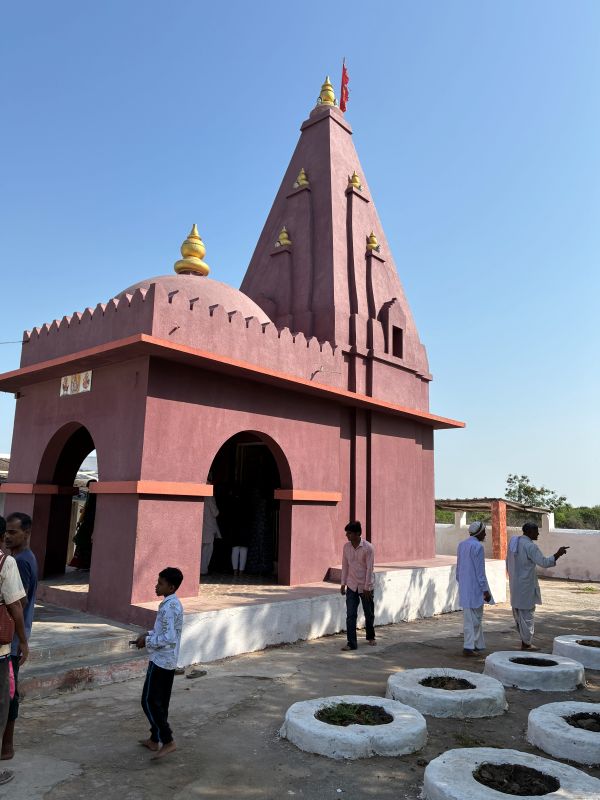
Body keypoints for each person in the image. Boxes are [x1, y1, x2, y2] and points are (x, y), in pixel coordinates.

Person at [135, 567, 184, 760]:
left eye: (160, 583)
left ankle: (168, 739)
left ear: (171, 587)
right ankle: (155, 739)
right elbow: (162, 632)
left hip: (162, 661)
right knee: (159, 703)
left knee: (149, 701)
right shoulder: (169, 604)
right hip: (165, 659)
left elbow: (168, 637)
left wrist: (146, 642)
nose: (156, 586)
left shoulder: (170, 607)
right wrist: (147, 634)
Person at [2, 513, 37, 760]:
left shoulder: (20, 561)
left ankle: (6, 747)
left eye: (13, 532)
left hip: (10, 642)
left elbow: (18, 604)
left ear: (26, 533)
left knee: (8, 696)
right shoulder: (15, 558)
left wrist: (22, 642)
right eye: (6, 531)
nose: (7, 536)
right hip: (11, 639)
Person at [507, 521, 568, 651]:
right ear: (529, 532)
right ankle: (527, 644)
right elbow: (544, 562)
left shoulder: (514, 543)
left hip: (515, 584)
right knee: (527, 615)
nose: (538, 533)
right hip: (526, 586)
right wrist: (558, 553)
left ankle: (525, 641)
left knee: (519, 614)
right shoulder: (530, 546)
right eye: (536, 531)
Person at [0, 520, 28, 786]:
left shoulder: (20, 561)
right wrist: (24, 641)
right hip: (1, 651)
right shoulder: (6, 563)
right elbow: (18, 605)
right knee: (4, 702)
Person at [456, 520, 493, 657]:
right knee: (475, 619)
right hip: (475, 588)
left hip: (465, 587)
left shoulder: (462, 545)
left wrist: (462, 583)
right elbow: (480, 571)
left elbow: (458, 569)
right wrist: (485, 590)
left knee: (470, 618)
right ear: (479, 532)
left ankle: (475, 644)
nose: (485, 534)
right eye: (484, 531)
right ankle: (469, 646)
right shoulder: (477, 547)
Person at [340, 520, 376, 651]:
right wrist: (343, 583)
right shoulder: (346, 547)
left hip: (366, 586)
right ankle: (351, 643)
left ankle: (370, 636)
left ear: (358, 533)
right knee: (350, 614)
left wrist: (367, 587)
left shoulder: (368, 548)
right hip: (351, 584)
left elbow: (369, 569)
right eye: (346, 533)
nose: (347, 536)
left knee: (369, 613)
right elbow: (345, 565)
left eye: (349, 533)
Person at [68, 479, 97, 569]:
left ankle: (83, 564)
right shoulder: (93, 496)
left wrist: (81, 520)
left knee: (82, 543)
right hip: (88, 522)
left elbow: (87, 509)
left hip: (88, 523)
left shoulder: (92, 496)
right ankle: (82, 564)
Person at [200, 478, 221, 576]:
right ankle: (203, 570)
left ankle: (201, 569)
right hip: (209, 528)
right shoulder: (210, 497)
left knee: (201, 550)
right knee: (207, 551)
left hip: (201, 527)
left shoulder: (201, 496)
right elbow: (215, 512)